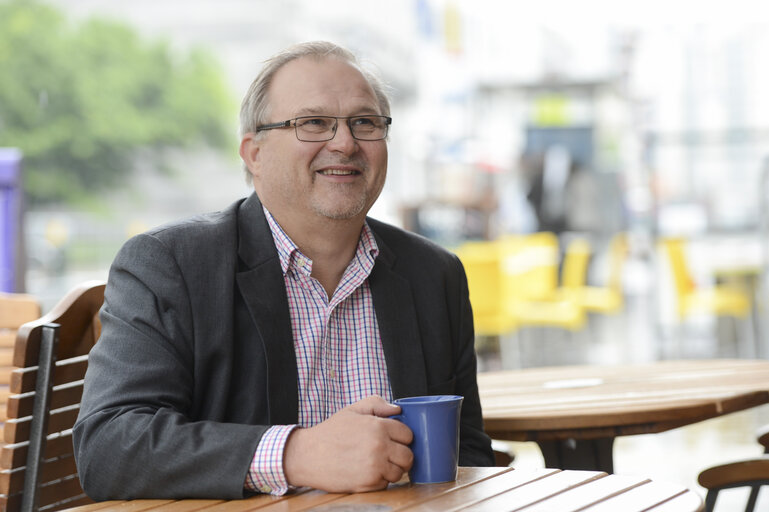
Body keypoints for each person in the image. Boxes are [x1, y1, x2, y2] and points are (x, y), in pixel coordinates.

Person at [73, 41, 494, 501]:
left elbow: (467, 452)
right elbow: (109, 447)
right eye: (313, 123)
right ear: (253, 154)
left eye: (365, 122)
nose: (345, 142)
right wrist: (297, 453)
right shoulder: (171, 266)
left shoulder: (435, 275)